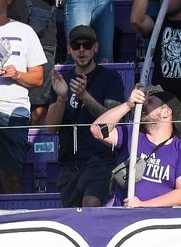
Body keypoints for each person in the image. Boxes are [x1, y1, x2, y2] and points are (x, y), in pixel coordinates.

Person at [45, 24, 125, 207]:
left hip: (100, 161)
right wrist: (61, 98)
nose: (82, 50)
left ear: (96, 47)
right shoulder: (61, 80)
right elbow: (51, 127)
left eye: (87, 45)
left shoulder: (110, 78)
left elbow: (113, 122)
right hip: (69, 165)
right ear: (69, 49)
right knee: (72, 219)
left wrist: (85, 97)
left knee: (91, 206)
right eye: (76, 45)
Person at [0, 0, 46, 194]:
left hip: (13, 108)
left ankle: (10, 214)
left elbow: (38, 78)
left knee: (12, 175)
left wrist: (17, 74)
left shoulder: (24, 31)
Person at [90, 86, 181, 207]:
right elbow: (97, 130)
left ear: (166, 112)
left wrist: (143, 205)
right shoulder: (132, 134)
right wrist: (127, 105)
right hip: (123, 217)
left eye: (150, 102)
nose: (142, 104)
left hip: (159, 220)